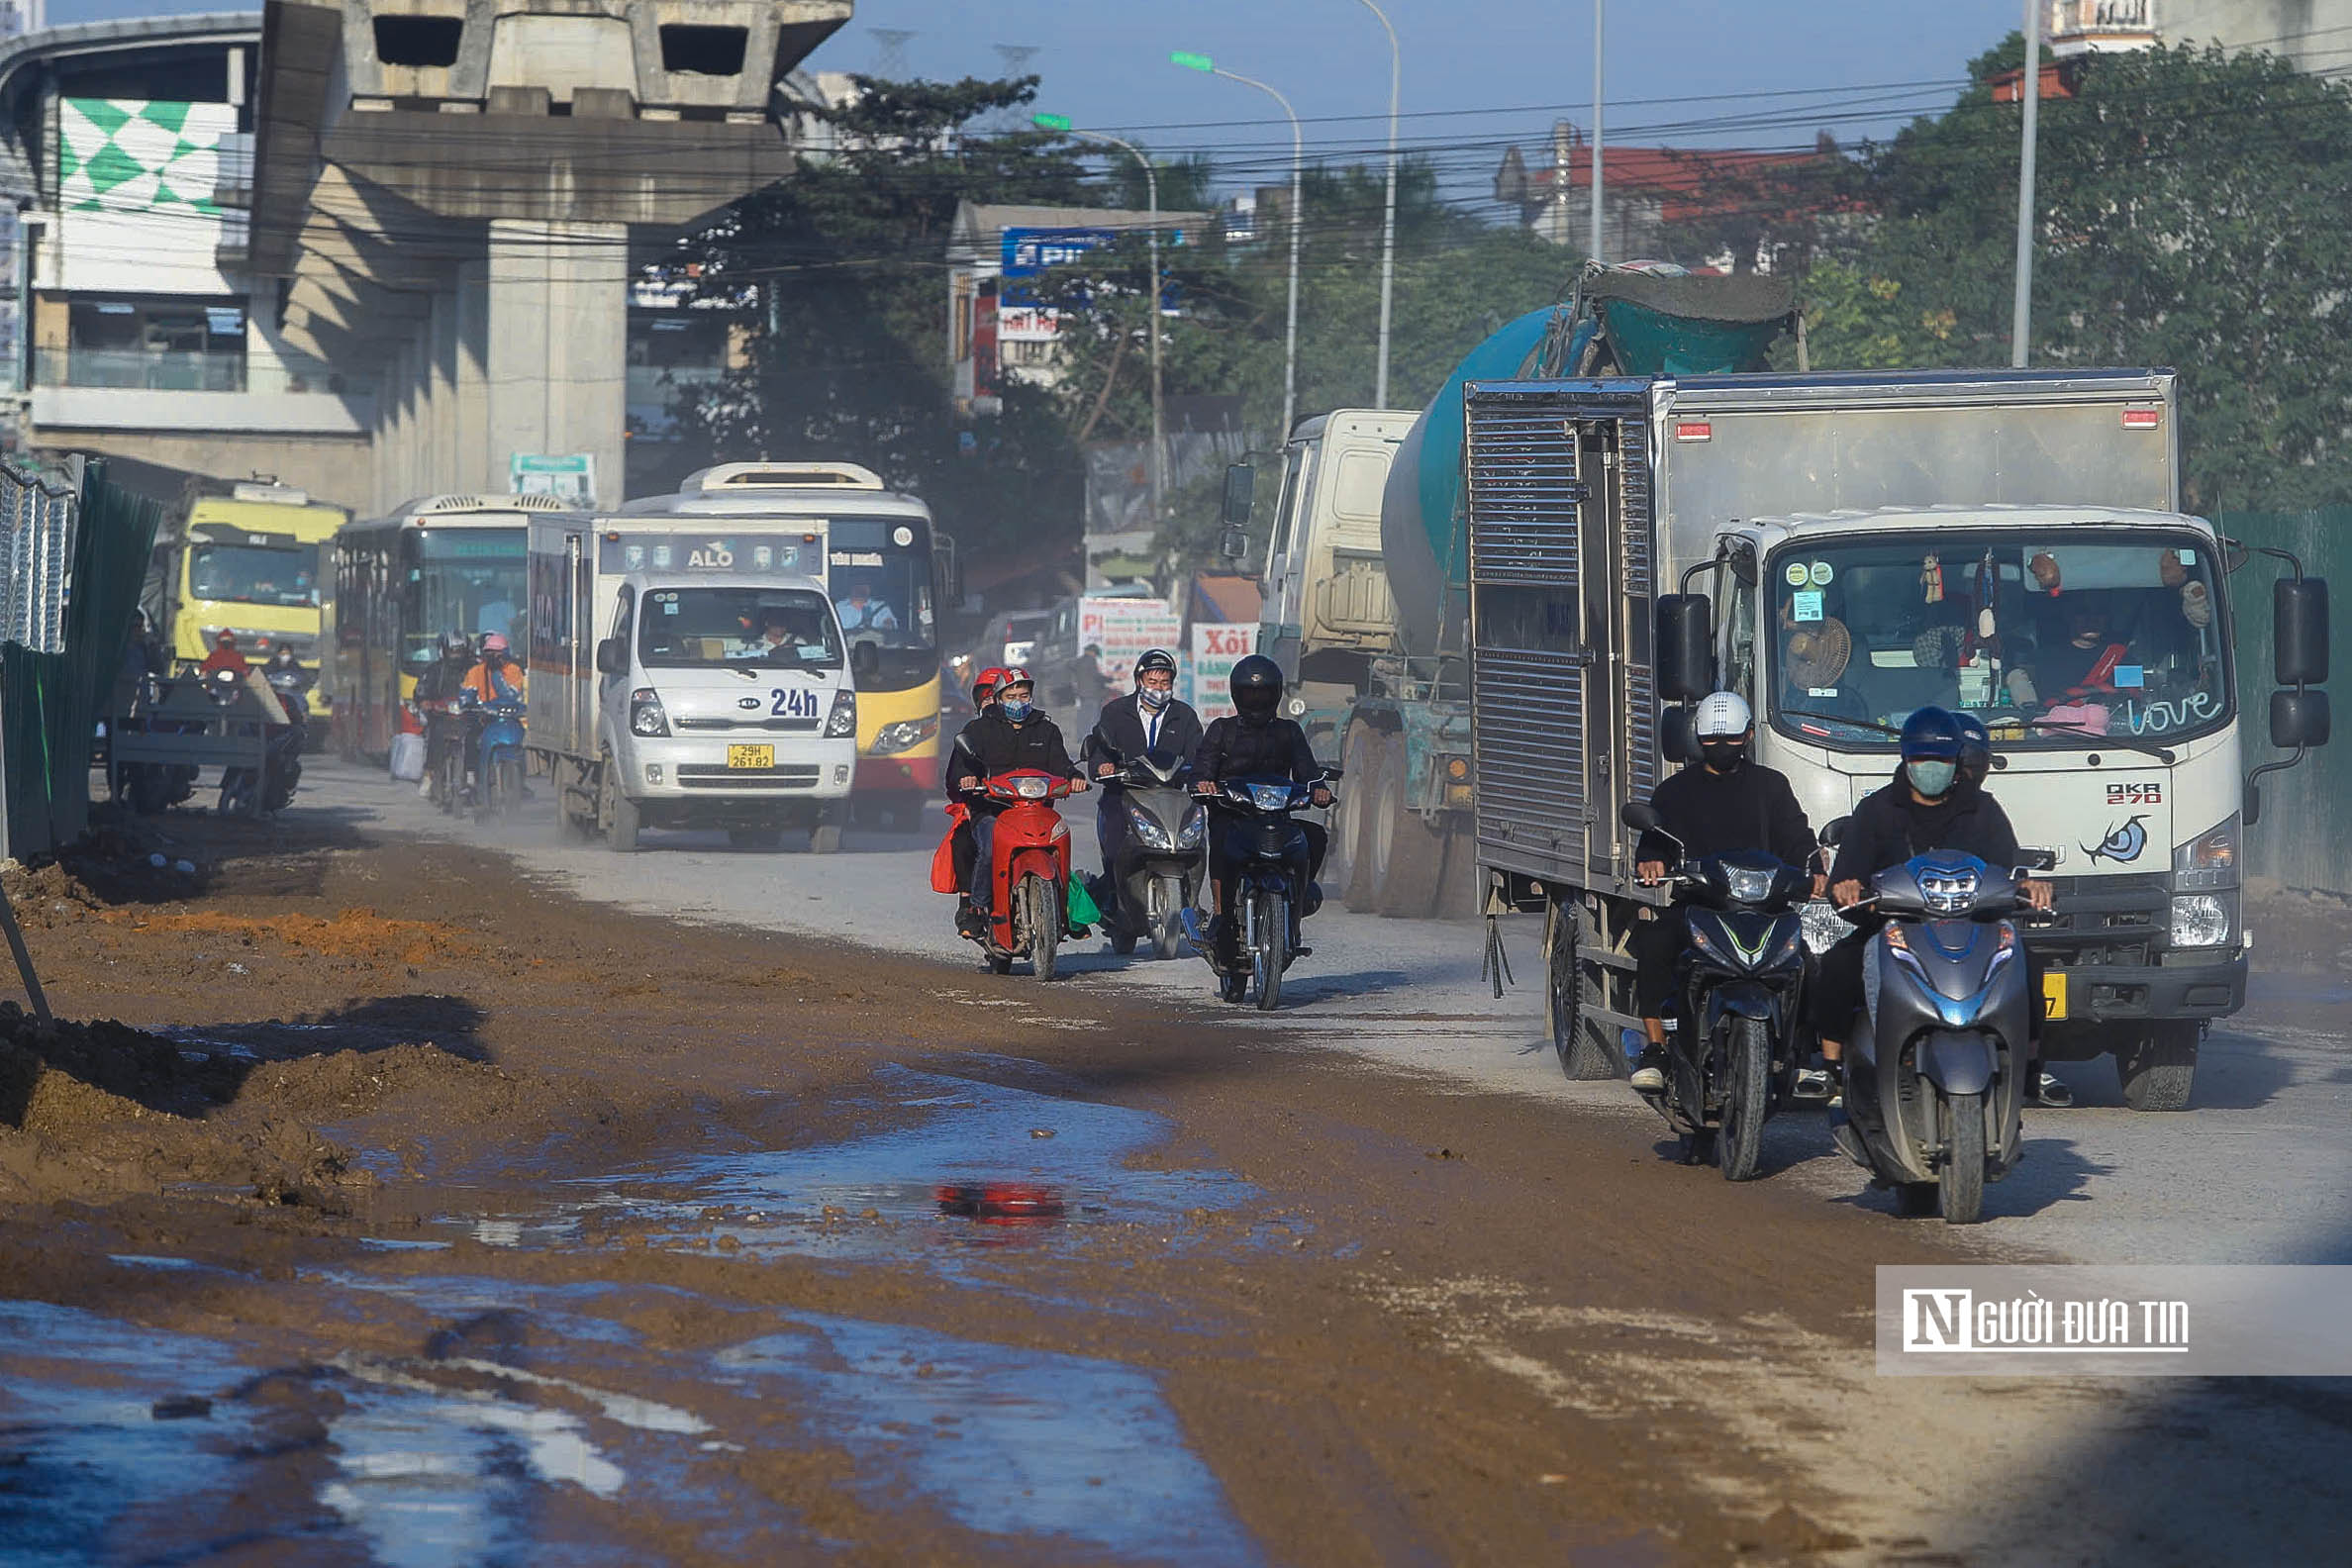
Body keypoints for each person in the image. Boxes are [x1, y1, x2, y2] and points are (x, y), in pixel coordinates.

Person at [1811, 707, 2069, 1106]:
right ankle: (1831, 1069)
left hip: (1972, 929)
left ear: (1956, 761)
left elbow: (2006, 869)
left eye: (1942, 760)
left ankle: (2031, 1069)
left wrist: (2028, 886)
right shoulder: (1876, 810)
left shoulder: (1982, 810)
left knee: (2028, 964)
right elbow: (1847, 877)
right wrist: (1846, 889)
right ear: (1906, 759)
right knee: (1837, 966)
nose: (1931, 767)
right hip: (1892, 927)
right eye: (1922, 759)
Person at [1627, 692, 1820, 1094]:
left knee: (1807, 962)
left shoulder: (1772, 787)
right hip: (1699, 906)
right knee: (1655, 944)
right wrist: (1650, 861)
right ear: (1698, 738)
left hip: (1764, 910)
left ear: (1749, 735)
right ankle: (1657, 1049)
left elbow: (1798, 838)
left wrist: (1815, 871)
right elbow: (1653, 840)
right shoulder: (1674, 791)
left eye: (1731, 739)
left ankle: (1801, 1055)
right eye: (1712, 740)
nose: (1722, 747)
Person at [1190, 654, 1331, 963]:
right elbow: (1201, 769)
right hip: (1233, 814)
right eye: (1249, 693)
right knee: (1222, 843)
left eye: (1264, 693)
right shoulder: (1221, 729)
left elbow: (1307, 771)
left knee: (1316, 836)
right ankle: (1221, 914)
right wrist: (1203, 784)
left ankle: (1299, 896)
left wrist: (1319, 789)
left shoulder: (1290, 731)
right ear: (1236, 694)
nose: (1256, 700)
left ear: (1276, 693)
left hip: (1276, 818)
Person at [950, 668, 1086, 936]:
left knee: (1061, 841)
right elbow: (959, 768)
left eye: (1023, 695)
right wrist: (967, 778)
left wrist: (1074, 776)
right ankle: (977, 907)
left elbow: (1061, 763)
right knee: (990, 847)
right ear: (999, 698)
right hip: (992, 811)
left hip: (1037, 811)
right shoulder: (978, 729)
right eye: (1011, 695)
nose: (1018, 701)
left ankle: (1066, 911)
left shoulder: (1047, 730)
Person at [1082, 648, 1206, 917]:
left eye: (1165, 683)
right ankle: (1113, 897)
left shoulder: (1184, 716)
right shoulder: (1115, 712)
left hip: (1171, 794)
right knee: (1116, 843)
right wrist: (1103, 765)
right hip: (1124, 793)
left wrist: (1204, 776)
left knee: (1196, 840)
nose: (1159, 688)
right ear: (1140, 681)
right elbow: (1098, 746)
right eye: (1153, 681)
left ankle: (1192, 901)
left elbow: (1199, 753)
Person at [413, 631, 476, 799]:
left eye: (459, 652)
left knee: (475, 735)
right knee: (435, 735)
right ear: (444, 651)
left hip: (466, 715)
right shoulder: (434, 670)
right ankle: (429, 775)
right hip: (441, 715)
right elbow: (421, 690)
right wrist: (424, 701)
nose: (456, 656)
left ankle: (471, 774)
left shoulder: (473, 669)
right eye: (452, 651)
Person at [835, 578, 899, 637]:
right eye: (858, 585)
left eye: (864, 585)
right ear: (850, 588)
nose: (861, 588)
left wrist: (889, 625)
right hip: (845, 647)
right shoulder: (838, 608)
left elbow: (891, 631)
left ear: (870, 588)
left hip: (876, 647)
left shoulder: (882, 608)